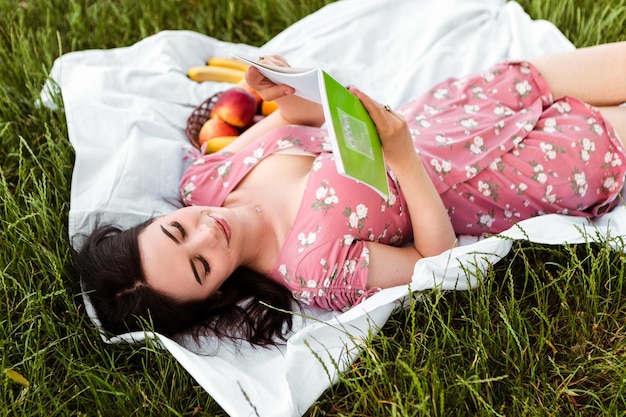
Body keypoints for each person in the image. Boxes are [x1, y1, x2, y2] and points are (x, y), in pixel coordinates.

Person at [75, 42, 626, 346]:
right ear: (215, 294)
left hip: (455, 109)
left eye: (177, 229)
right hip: (509, 173)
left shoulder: (207, 179)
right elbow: (436, 261)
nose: (204, 233)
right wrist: (404, 160)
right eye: (200, 267)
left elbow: (304, 118)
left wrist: (284, 88)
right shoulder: (312, 267)